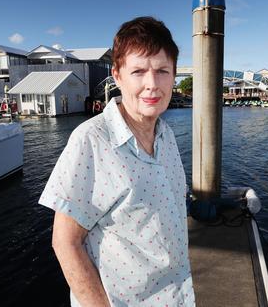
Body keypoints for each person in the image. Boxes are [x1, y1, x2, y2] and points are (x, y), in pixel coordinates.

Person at [39, 16, 195, 306]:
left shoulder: (167, 136)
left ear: (174, 75)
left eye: (162, 70)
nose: (152, 84)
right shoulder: (92, 140)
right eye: (138, 71)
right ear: (118, 75)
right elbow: (65, 242)